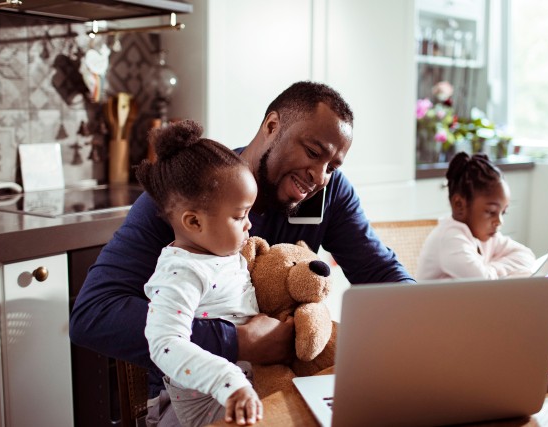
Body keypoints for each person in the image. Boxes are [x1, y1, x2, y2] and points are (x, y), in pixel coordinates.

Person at [69, 81, 413, 426]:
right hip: (201, 403)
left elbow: (380, 273)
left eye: (332, 167)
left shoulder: (330, 194)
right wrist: (237, 341)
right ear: (272, 126)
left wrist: (430, 319)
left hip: (279, 388)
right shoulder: (190, 196)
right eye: (312, 152)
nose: (320, 176)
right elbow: (93, 316)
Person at [135, 120, 262, 426]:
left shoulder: (222, 254)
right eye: (240, 216)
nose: (249, 225)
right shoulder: (181, 272)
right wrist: (228, 383)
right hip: (206, 409)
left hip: (245, 395)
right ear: (194, 223)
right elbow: (166, 343)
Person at [416, 152, 535, 280]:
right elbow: (483, 281)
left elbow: (527, 255)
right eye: (491, 211)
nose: (499, 221)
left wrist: (491, 268)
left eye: (503, 212)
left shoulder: (486, 236)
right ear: (459, 204)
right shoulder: (450, 238)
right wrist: (495, 270)